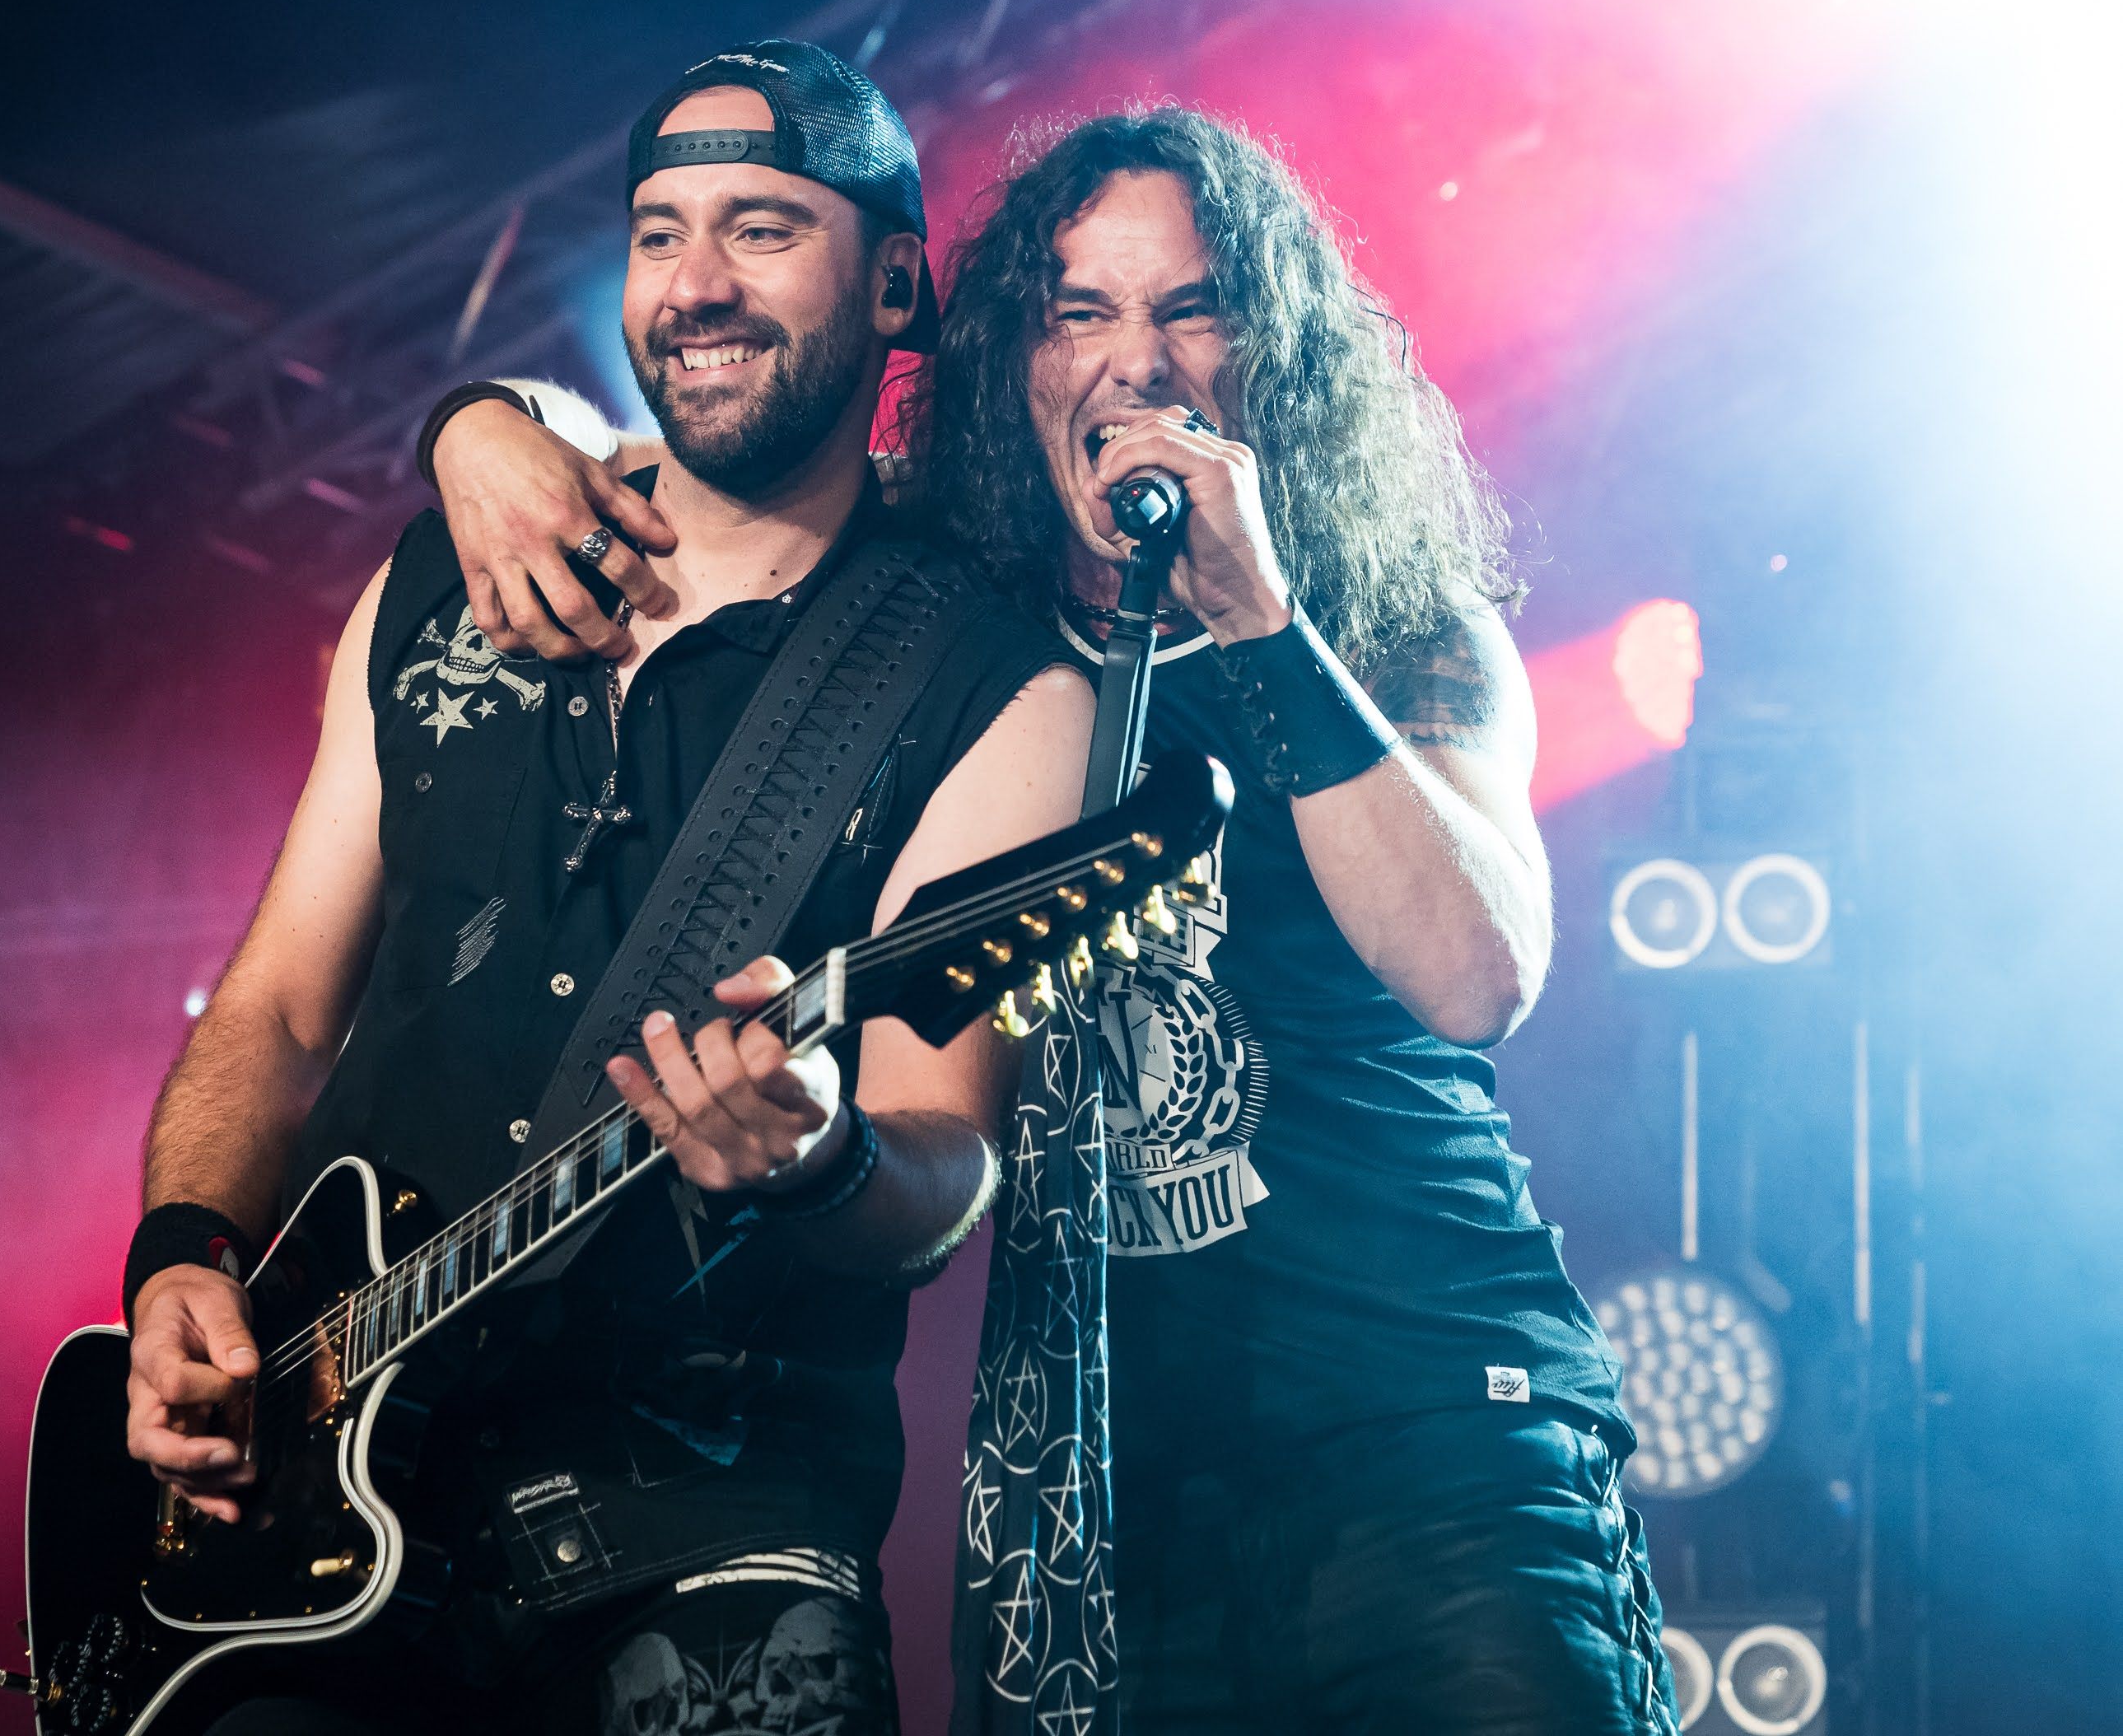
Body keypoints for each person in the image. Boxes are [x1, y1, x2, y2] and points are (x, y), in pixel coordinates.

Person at [422, 106, 1678, 1734]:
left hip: (1429, 1438)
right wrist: (480, 420)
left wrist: (1259, 614)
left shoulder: (1388, 622)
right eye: (1080, 313)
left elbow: (1475, 974)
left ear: (1273, 352)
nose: (1135, 363)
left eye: (1192, 309)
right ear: (1014, 363)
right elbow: (686, 457)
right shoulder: (953, 616)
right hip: (1091, 1500)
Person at [119, 40, 1092, 1736]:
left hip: (707, 1528)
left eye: (763, 229)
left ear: (896, 288)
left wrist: (823, 1156)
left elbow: (949, 1159)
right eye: (658, 234)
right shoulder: (436, 584)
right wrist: (181, 1260)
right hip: (315, 1528)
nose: (695, 285)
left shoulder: (994, 681)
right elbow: (272, 1010)